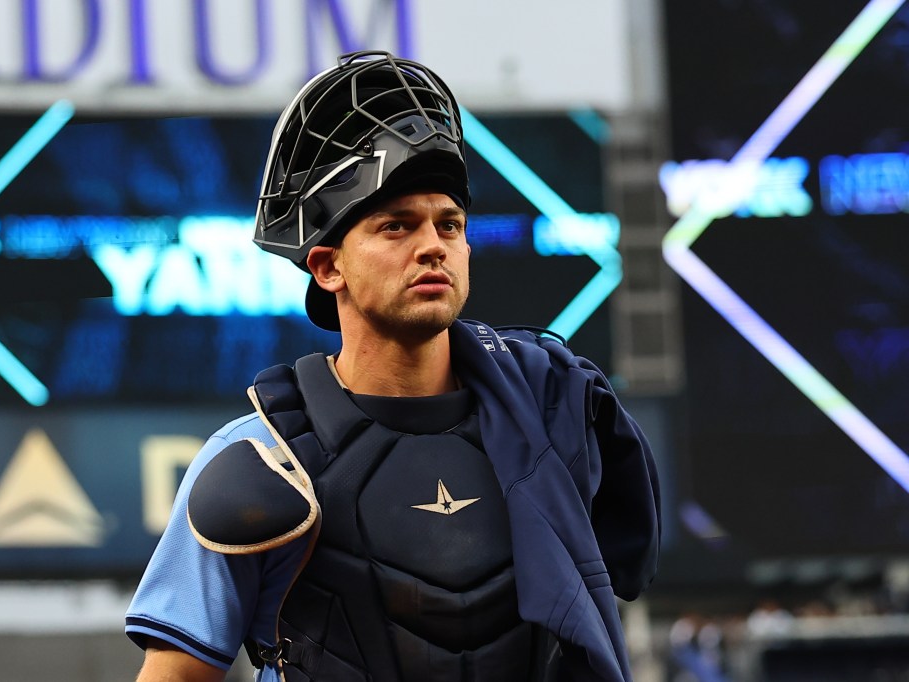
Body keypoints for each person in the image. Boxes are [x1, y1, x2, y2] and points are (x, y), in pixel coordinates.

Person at [126, 51, 660, 682]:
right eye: (396, 227)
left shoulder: (555, 416)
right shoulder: (263, 458)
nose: (433, 245)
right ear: (328, 267)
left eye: (449, 225)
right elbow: (175, 675)